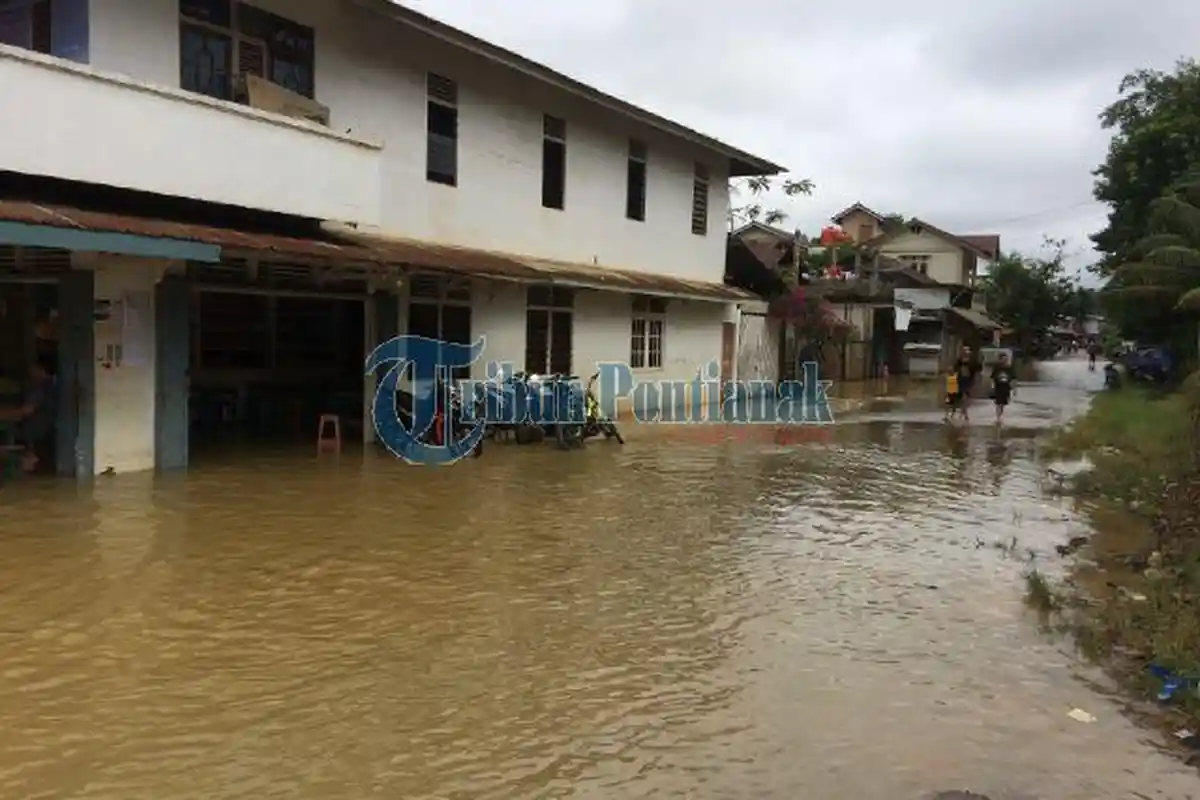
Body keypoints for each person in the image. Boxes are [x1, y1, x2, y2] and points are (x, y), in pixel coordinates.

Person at [0, 360, 56, 473]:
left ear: (41, 370)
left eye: (33, 368)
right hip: (44, 426)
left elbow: (26, 410)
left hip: (33, 427)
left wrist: (4, 414)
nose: (30, 372)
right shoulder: (52, 386)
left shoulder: (40, 387)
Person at [944, 345, 979, 424]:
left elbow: (974, 371)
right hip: (958, 381)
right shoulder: (958, 361)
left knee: (965, 397)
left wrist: (973, 382)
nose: (966, 352)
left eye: (967, 350)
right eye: (964, 350)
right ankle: (952, 413)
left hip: (967, 381)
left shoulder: (972, 362)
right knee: (954, 398)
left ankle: (964, 413)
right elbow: (954, 369)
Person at [990, 353, 1016, 424]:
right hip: (998, 387)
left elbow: (1013, 379)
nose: (1004, 360)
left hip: (1006, 387)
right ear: (1000, 359)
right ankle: (998, 417)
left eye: (1006, 359)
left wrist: (1014, 389)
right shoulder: (996, 368)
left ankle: (1000, 415)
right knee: (998, 403)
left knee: (1003, 403)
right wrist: (992, 386)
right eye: (1003, 359)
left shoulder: (1009, 368)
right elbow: (992, 378)